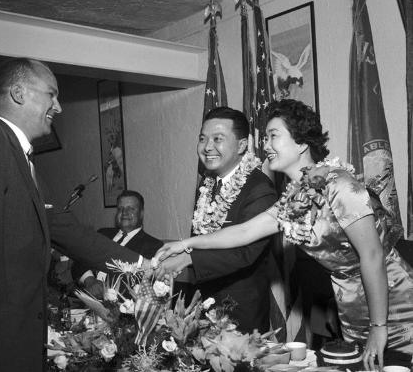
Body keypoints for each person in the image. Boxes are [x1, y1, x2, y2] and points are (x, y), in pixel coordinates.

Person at [0, 58, 143, 372]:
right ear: (19, 93)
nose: (59, 106)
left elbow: (65, 229)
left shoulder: (21, 161)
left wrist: (143, 265)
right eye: (52, 94)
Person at [155, 99, 413, 370]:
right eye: (265, 137)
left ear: (301, 143)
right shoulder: (295, 196)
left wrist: (379, 326)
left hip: (394, 305)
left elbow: (372, 255)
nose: (265, 145)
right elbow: (244, 231)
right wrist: (184, 244)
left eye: (273, 136)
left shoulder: (340, 185)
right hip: (351, 309)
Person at [159, 107, 277, 333]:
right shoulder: (208, 185)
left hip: (240, 312)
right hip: (203, 302)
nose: (207, 147)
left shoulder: (260, 189)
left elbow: (245, 252)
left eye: (218, 139)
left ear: (242, 145)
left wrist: (188, 259)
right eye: (203, 139)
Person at [72, 190, 163, 298]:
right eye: (121, 208)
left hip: (122, 310)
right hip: (86, 304)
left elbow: (139, 284)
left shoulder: (153, 246)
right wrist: (89, 279)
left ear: (141, 213)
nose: (124, 212)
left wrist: (106, 293)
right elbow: (79, 260)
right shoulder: (102, 234)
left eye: (131, 208)